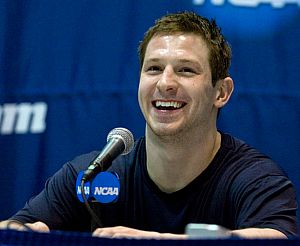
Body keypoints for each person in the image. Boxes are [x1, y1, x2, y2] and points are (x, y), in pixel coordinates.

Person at [0, 11, 298, 239]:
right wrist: (19, 235)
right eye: (154, 68)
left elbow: (274, 238)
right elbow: (13, 229)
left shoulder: (255, 179)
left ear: (221, 92)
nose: (165, 83)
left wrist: (156, 242)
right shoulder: (95, 175)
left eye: (185, 70)